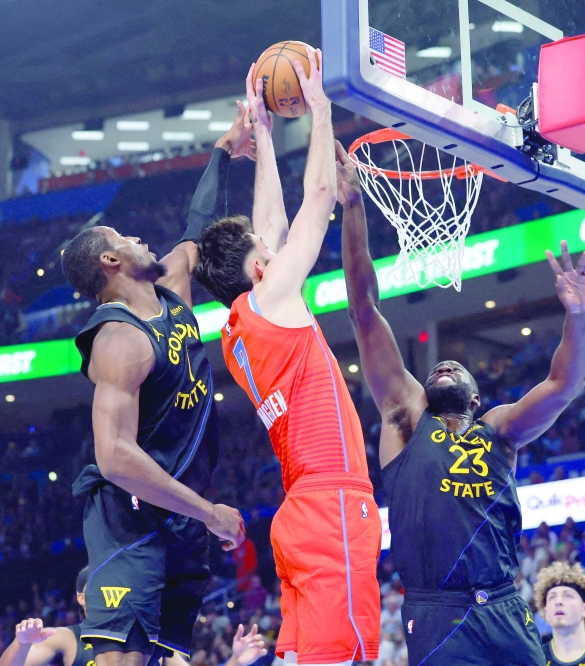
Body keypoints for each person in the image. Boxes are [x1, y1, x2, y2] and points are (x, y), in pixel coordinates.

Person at [341, 119, 585, 663]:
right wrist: (354, 209)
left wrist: (577, 314)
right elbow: (364, 310)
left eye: (456, 367)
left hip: (504, 606)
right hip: (438, 612)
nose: (444, 366)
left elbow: (562, 385)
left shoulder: (499, 429)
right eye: (438, 368)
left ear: (476, 398)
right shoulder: (406, 419)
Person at [194, 51, 381, 666]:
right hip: (329, 504)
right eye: (262, 252)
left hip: (298, 513)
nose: (271, 250)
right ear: (256, 268)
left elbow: (267, 223)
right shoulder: (271, 294)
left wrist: (268, 134)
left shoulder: (238, 327)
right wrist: (321, 107)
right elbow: (319, 194)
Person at [62, 105, 254, 666]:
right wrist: (210, 513)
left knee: (166, 660)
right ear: (111, 259)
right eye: (125, 235)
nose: (141, 236)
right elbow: (116, 457)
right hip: (131, 520)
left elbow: (198, 228)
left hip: (181, 517)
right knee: (123, 658)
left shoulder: (171, 290)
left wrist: (224, 148)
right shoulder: (117, 340)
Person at [0, 566, 267, 666]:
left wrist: (236, 660)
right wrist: (22, 643)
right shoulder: (66, 638)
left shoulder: (154, 641)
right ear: (81, 596)